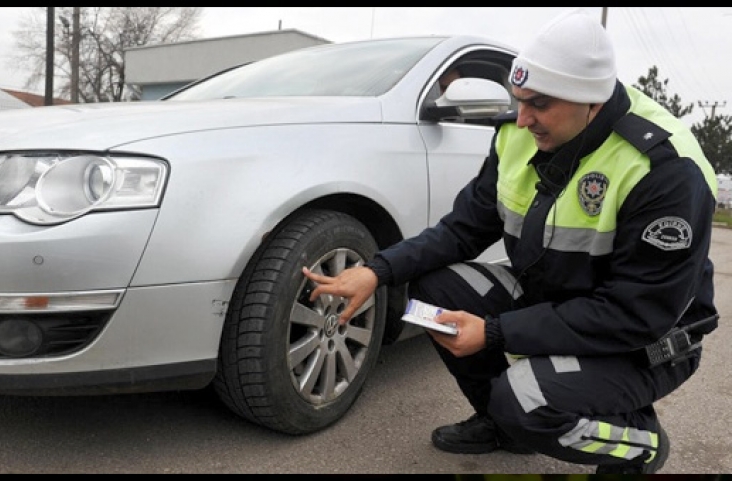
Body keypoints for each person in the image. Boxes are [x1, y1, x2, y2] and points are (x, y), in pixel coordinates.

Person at [302, 7, 718, 475]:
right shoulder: (518, 136)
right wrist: (376, 270)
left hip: (641, 341)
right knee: (432, 291)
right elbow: (462, 229)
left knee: (524, 400)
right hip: (557, 298)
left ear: (593, 103)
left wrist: (496, 333)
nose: (523, 119)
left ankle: (636, 444)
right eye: (519, 99)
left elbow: (636, 314)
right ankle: (502, 426)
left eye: (540, 104)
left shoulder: (662, 170)